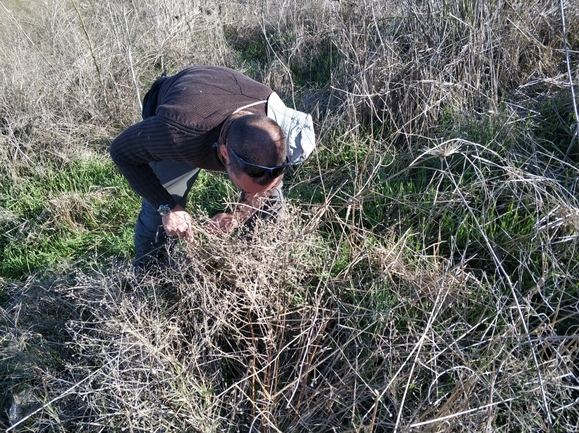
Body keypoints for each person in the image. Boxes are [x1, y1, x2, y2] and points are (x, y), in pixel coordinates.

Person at [110, 65, 315, 268]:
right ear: (224, 154)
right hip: (185, 113)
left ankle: (261, 265)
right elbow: (120, 151)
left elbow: (265, 186)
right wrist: (168, 208)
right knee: (159, 212)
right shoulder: (177, 132)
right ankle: (150, 274)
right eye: (248, 189)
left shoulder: (275, 133)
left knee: (269, 204)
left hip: (220, 94)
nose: (252, 195)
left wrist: (238, 216)